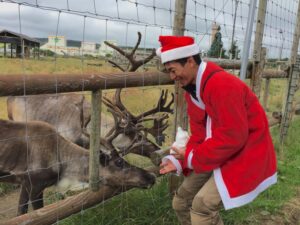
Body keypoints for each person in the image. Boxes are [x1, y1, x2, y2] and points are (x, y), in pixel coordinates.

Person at [157, 36, 277, 225]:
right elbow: (199, 135)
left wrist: (191, 157)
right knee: (181, 202)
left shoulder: (221, 84)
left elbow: (234, 136)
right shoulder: (193, 91)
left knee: (202, 206)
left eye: (173, 70)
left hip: (247, 151)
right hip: (221, 150)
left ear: (189, 61)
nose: (172, 77)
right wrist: (182, 160)